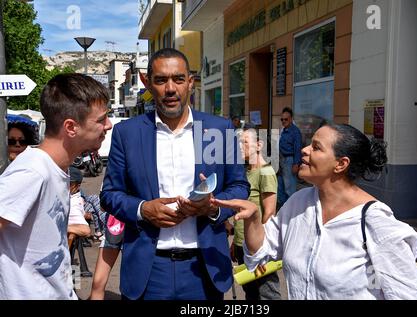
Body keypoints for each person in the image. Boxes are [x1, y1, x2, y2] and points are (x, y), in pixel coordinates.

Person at [100, 48, 250, 300]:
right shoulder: (127, 133)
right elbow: (109, 194)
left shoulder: (218, 129)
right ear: (147, 83)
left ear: (190, 82)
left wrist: (212, 208)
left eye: (178, 79)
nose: (170, 88)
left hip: (203, 270)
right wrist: (143, 209)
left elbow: (239, 186)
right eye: (161, 80)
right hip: (148, 272)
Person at [213, 124, 417, 300]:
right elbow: (262, 250)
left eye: (316, 147)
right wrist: (254, 218)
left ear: (341, 164)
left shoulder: (376, 224)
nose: (304, 150)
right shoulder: (299, 203)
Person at [0, 73, 112, 299]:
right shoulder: (32, 171)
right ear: (71, 127)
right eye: (101, 120)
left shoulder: (52, 168)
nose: (108, 125)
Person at [232, 124, 281, 300]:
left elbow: (269, 213)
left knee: (266, 294)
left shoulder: (266, 172)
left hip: (258, 249)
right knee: (250, 293)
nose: (240, 147)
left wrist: (261, 249)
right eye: (238, 142)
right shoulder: (245, 172)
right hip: (241, 244)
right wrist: (236, 243)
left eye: (244, 142)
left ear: (258, 145)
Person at [89, 212, 124, 300]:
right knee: (98, 282)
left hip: (137, 232)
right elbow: (104, 205)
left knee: (133, 286)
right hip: (114, 226)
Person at [277, 107, 302, 207]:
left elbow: (297, 148)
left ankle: (291, 209)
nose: (283, 121)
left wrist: (296, 164)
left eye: (286, 119)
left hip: (289, 161)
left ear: (291, 119)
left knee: (289, 188)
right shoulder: (283, 130)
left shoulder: (295, 132)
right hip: (281, 160)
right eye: (282, 119)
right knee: (280, 187)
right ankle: (282, 209)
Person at [68, 166, 91, 238]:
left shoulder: (73, 203)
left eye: (69, 184)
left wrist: (59, 227)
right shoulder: (72, 198)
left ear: (77, 186)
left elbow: (85, 231)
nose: (64, 185)